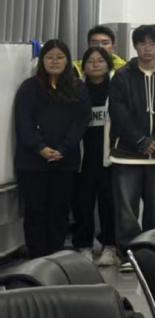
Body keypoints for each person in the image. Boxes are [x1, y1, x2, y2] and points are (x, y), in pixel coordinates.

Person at [109, 25, 155, 272]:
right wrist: (140, 140)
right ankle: (128, 254)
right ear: (135, 46)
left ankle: (154, 252)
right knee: (126, 208)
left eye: (152, 43)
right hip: (127, 154)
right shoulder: (122, 76)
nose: (147, 48)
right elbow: (118, 112)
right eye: (142, 43)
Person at [14, 40, 89, 257]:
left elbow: (80, 122)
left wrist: (63, 149)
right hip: (32, 162)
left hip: (65, 161)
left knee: (59, 211)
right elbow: (23, 122)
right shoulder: (29, 87)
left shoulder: (78, 87)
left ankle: (56, 259)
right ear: (42, 60)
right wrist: (40, 148)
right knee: (35, 211)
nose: (54, 61)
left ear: (67, 60)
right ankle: (37, 258)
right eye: (49, 57)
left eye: (60, 57)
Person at [72, 45, 117, 265]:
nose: (95, 64)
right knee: (83, 203)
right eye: (90, 61)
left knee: (109, 202)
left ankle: (110, 246)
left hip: (110, 155)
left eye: (100, 60)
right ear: (83, 66)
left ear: (108, 65)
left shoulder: (116, 87)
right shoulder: (76, 89)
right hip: (83, 155)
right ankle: (84, 246)